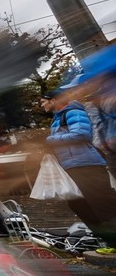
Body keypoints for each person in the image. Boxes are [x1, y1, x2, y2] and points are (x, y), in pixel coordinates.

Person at [41, 89, 116, 249]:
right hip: (72, 166)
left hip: (87, 164)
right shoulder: (57, 119)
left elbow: (82, 134)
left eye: (43, 101)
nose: (42, 104)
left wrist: (50, 140)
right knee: (78, 205)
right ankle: (109, 241)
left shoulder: (72, 112)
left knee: (104, 204)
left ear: (53, 100)